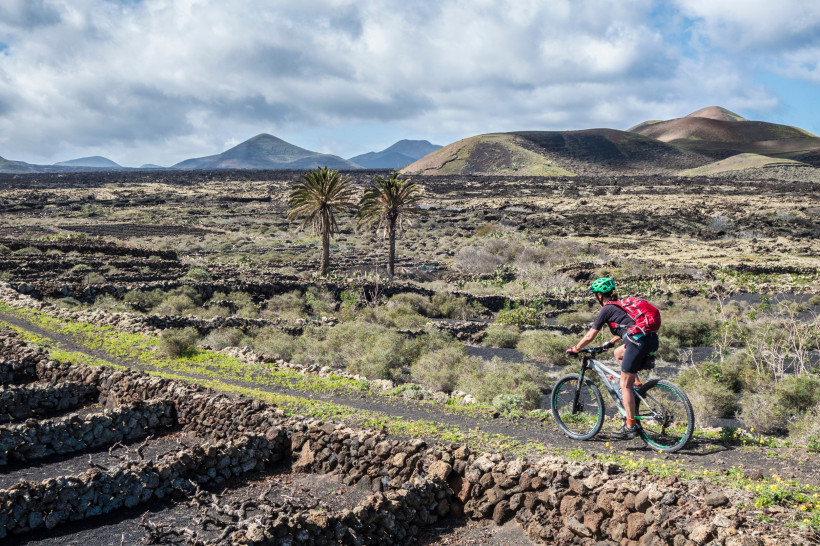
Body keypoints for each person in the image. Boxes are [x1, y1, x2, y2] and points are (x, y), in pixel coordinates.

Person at [565, 277, 660, 439]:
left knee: (624, 385)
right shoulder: (622, 305)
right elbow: (630, 327)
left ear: (600, 295)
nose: (596, 298)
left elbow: (590, 336)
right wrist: (609, 343)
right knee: (618, 353)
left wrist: (575, 349)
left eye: (595, 295)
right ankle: (637, 385)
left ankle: (630, 426)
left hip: (636, 342)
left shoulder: (607, 309)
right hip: (651, 340)